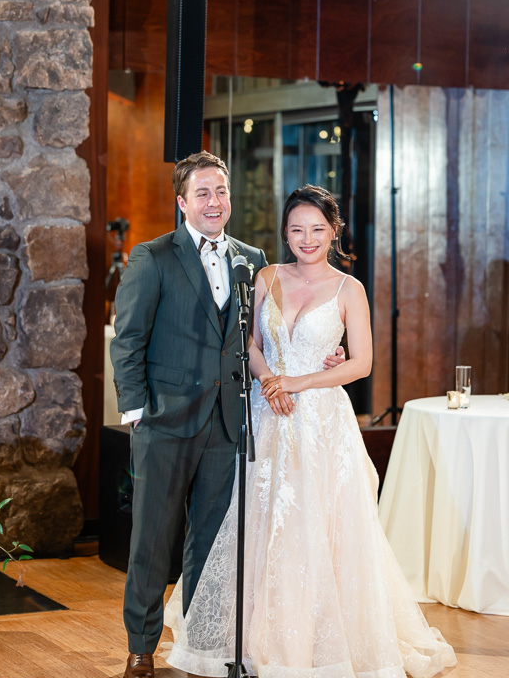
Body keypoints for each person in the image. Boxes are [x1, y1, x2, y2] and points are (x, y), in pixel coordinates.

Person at [164, 185, 456, 678]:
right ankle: (260, 636)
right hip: (268, 412)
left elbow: (361, 364)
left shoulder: (349, 290)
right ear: (285, 232)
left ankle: (322, 641)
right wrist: (268, 380)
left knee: (319, 525)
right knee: (262, 520)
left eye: (317, 229)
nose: (307, 238)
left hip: (321, 421)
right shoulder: (266, 277)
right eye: (297, 229)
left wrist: (298, 381)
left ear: (333, 231)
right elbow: (249, 343)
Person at [111, 154, 345, 678]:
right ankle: (141, 646)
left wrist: (326, 355)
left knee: (211, 542)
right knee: (152, 539)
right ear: (182, 202)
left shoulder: (251, 258)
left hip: (228, 421)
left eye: (221, 191)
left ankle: (198, 639)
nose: (214, 202)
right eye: (202, 194)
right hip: (164, 421)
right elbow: (127, 341)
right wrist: (136, 411)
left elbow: (264, 337)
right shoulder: (152, 257)